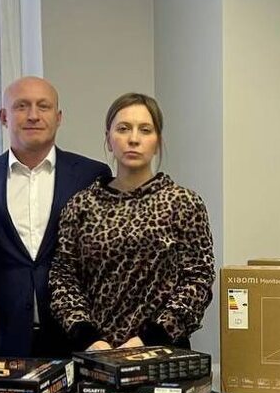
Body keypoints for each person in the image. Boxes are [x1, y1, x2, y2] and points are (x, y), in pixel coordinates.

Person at [0, 76, 110, 357]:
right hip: (2, 346)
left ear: (58, 117)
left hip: (79, 342)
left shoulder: (92, 176)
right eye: (21, 106)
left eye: (43, 106)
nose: (33, 115)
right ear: (4, 117)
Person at [48, 92, 215, 351]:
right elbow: (63, 278)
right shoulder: (82, 205)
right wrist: (89, 339)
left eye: (145, 130)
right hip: (97, 355)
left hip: (162, 352)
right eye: (123, 129)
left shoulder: (183, 203)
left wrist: (150, 339)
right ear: (108, 139)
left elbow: (199, 279)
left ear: (158, 141)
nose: (133, 139)